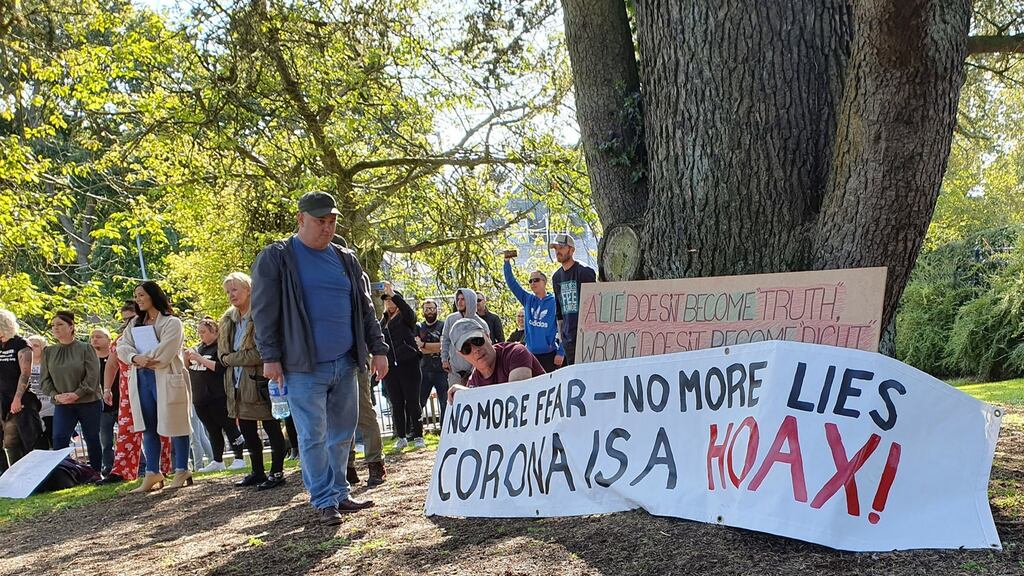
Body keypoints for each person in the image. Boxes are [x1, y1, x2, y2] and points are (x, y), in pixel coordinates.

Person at [250, 191, 388, 526]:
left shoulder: (345, 258)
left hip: (346, 360)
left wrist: (379, 348)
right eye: (319, 221)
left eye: (331, 221)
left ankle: (341, 493)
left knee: (342, 433)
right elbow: (264, 310)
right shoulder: (277, 257)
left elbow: (366, 309)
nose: (326, 228)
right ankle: (324, 499)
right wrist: (270, 356)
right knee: (313, 435)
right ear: (300, 219)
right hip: (302, 366)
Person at [117, 282, 193, 492]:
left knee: (176, 423)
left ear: (153, 296)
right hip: (142, 378)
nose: (138, 299)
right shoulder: (134, 323)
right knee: (148, 426)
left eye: (141, 295)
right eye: (136, 296)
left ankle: (181, 469)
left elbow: (166, 351)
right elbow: (122, 347)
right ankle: (152, 472)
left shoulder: (172, 323)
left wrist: (144, 359)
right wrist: (135, 358)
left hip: (166, 378)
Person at [219, 272, 288, 490]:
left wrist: (231, 359)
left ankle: (277, 471)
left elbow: (260, 353)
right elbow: (222, 355)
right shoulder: (228, 320)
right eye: (228, 291)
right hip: (237, 383)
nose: (231, 295)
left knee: (271, 425)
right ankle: (257, 471)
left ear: (249, 289)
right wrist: (230, 359)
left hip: (261, 381)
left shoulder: (261, 316)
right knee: (247, 429)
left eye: (235, 289)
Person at [102, 301, 172, 485]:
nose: (126, 323)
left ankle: (166, 468)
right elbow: (111, 365)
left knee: (161, 427)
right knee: (126, 430)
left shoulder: (153, 333)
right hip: (127, 392)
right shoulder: (120, 340)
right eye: (124, 320)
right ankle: (122, 471)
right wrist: (107, 388)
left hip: (153, 385)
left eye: (130, 318)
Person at [39, 311, 103, 472]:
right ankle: (65, 472)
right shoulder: (49, 351)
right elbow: (44, 380)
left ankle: (95, 472)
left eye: (60, 324)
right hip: (62, 403)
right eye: (53, 325)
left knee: (92, 438)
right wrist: (56, 395)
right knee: (59, 438)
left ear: (71, 327)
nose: (56, 328)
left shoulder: (85, 348)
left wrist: (77, 394)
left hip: (88, 402)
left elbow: (93, 376)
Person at [184, 316, 247, 472]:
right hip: (200, 397)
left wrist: (199, 358)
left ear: (214, 331)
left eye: (204, 332)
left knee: (228, 426)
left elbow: (220, 367)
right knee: (212, 429)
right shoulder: (199, 348)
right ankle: (217, 460)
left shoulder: (220, 347)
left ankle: (239, 457)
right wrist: (187, 360)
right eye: (199, 333)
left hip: (218, 395)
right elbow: (189, 370)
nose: (201, 336)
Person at [447, 318, 545, 403]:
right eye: (466, 349)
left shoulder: (515, 353)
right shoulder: (474, 382)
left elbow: (517, 396)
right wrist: (465, 394)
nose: (475, 350)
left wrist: (469, 393)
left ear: (488, 336)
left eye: (477, 340)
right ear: (461, 355)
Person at [379, 282, 423, 450]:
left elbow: (411, 315)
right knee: (396, 402)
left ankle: (418, 435)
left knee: (412, 401)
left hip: (409, 363)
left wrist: (394, 294)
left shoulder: (405, 317)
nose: (389, 303)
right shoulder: (382, 322)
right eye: (387, 300)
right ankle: (401, 436)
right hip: (391, 367)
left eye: (392, 300)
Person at [503, 259, 564, 372]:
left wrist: (561, 352)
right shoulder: (527, 299)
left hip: (549, 355)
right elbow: (512, 283)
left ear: (544, 282)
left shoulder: (555, 302)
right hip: (530, 354)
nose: (533, 283)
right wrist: (506, 262)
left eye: (536, 280)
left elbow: (564, 327)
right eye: (530, 281)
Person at [4, 310, 44, 467]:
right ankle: (11, 477)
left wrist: (17, 399)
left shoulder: (22, 344)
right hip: (3, 401)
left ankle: (37, 473)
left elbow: (25, 374)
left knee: (30, 439)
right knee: (9, 443)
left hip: (22, 401)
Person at [550, 233, 596, 366]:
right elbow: (559, 312)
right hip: (569, 340)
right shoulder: (556, 277)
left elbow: (594, 304)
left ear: (572, 249)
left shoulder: (584, 272)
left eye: (561, 248)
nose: (558, 252)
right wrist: (562, 337)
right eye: (555, 248)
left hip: (588, 338)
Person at [439, 288, 487, 388]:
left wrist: (476, 368)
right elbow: (445, 339)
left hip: (476, 371)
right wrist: (444, 359)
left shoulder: (481, 324)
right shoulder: (451, 319)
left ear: (470, 300)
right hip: (454, 371)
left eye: (463, 299)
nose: (460, 302)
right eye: (458, 299)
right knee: (455, 400)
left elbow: (485, 347)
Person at [416, 299, 448, 425]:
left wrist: (424, 344)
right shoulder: (418, 327)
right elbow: (418, 349)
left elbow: (443, 346)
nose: (429, 311)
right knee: (419, 402)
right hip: (424, 370)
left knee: (445, 402)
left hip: (442, 370)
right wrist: (431, 347)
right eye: (427, 309)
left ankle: (445, 429)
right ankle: (416, 430)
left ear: (437, 310)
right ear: (422, 311)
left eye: (432, 308)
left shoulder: (444, 325)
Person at [90, 328, 117, 477]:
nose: (95, 340)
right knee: (106, 441)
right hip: (101, 407)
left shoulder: (116, 356)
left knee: (131, 436)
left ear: (108, 339)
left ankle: (140, 465)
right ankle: (108, 467)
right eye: (92, 337)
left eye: (99, 337)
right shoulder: (89, 360)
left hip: (121, 403)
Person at [25, 334, 53, 448]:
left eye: (35, 346)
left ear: (43, 348)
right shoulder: (22, 366)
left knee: (54, 441)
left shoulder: (50, 364)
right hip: (32, 410)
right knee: (38, 444)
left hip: (51, 409)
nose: (31, 348)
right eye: (29, 346)